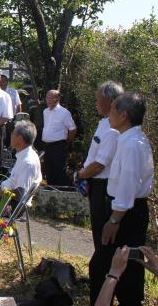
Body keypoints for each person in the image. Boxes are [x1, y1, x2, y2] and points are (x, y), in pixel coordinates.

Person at [88, 92, 154, 306]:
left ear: (124, 115)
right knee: (106, 265)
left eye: (114, 109)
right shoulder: (128, 139)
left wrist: (114, 219)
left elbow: (128, 184)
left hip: (126, 213)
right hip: (124, 210)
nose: (109, 115)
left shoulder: (132, 144)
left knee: (115, 267)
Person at [76, 82, 123, 252]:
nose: (96, 103)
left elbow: (99, 165)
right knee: (96, 230)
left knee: (102, 236)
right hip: (95, 185)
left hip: (104, 188)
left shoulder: (114, 128)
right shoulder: (105, 122)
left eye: (99, 100)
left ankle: (104, 272)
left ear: (111, 102)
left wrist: (81, 174)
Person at [0, 120, 42, 206]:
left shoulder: (28, 162)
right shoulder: (23, 155)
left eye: (13, 133)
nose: (10, 135)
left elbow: (20, 195)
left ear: (20, 138)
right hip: (5, 198)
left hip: (10, 205)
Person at [41, 90, 76, 186]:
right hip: (47, 146)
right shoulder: (45, 111)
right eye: (47, 97)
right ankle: (51, 192)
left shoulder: (64, 112)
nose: (48, 100)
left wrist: (67, 143)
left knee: (59, 171)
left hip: (59, 146)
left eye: (50, 97)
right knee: (49, 170)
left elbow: (72, 129)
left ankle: (62, 193)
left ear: (57, 99)